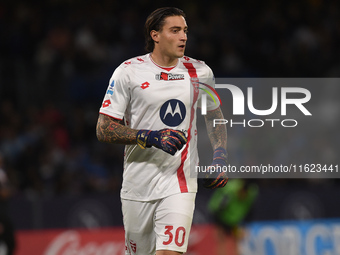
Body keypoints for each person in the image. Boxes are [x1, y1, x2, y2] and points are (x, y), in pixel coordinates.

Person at [96, 7, 228, 255]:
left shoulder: (200, 72)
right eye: (175, 30)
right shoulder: (128, 72)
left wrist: (220, 156)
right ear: (155, 35)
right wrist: (147, 136)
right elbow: (103, 129)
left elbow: (214, 117)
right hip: (138, 184)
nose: (184, 37)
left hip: (179, 181)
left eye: (185, 31)